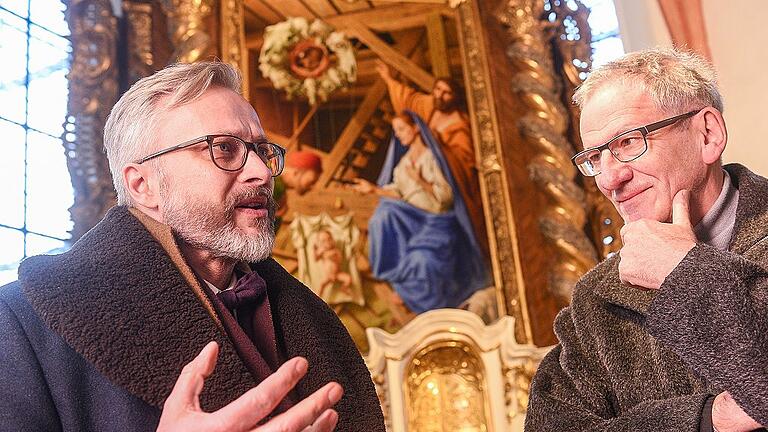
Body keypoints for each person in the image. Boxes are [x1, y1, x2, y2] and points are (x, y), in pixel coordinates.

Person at [0, 61, 385, 431]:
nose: (263, 172)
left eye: (263, 152)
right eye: (223, 149)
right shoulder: (18, 323)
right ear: (143, 185)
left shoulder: (306, 315)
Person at [525, 48, 767, 432]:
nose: (608, 179)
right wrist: (704, 420)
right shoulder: (597, 299)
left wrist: (686, 272)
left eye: (627, 143)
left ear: (708, 134)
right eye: (594, 157)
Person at [351, 112, 488, 313]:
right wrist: (372, 189)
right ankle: (385, 269)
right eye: (396, 131)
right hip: (413, 221)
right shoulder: (403, 164)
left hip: (437, 223)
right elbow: (398, 193)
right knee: (382, 214)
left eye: (402, 129)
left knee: (423, 261)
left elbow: (446, 197)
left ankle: (431, 304)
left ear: (415, 128)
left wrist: (420, 180)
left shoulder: (433, 158)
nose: (398, 135)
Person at [375, 61, 489, 257]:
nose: (439, 95)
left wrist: (439, 147)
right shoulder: (429, 105)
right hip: (420, 165)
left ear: (455, 98)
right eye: (437, 89)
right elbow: (408, 99)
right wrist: (388, 79)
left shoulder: (460, 126)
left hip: (441, 177)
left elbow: (463, 162)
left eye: (446, 93)